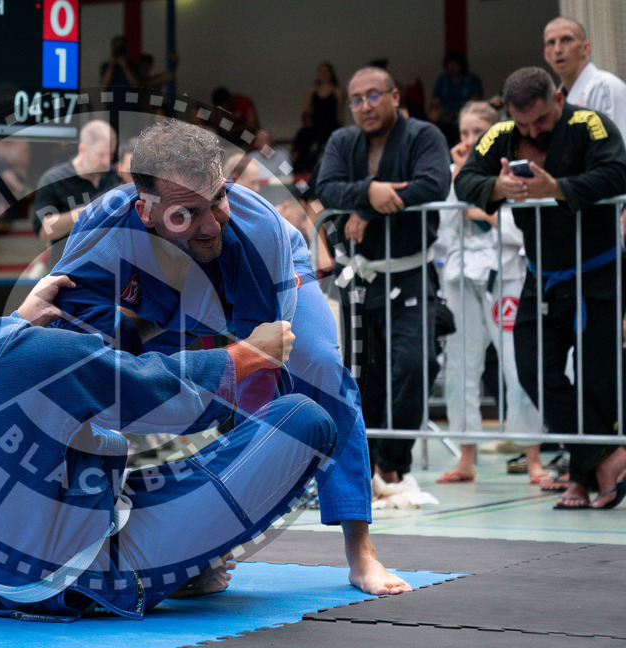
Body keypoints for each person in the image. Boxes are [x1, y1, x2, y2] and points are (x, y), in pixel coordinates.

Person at [0, 207, 337, 620]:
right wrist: (248, 354)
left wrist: (16, 322)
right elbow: (160, 395)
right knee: (304, 421)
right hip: (91, 577)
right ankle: (182, 566)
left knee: (117, 474)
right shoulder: (32, 355)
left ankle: (191, 560)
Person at [51, 119, 411, 596]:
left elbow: (263, 363)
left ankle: (360, 551)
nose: (209, 222)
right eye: (187, 212)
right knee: (92, 383)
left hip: (267, 287)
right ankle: (144, 545)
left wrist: (239, 502)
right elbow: (74, 358)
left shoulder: (258, 233)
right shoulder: (103, 235)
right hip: (166, 314)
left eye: (217, 199)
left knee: (319, 369)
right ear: (147, 211)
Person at [455, 66, 626, 509]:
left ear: (558, 98)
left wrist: (559, 188)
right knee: (532, 369)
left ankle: (582, 478)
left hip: (598, 272)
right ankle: (608, 459)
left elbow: (617, 173)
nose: (532, 131)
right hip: (541, 276)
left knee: (598, 379)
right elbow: (464, 180)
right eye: (524, 123)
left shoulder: (590, 124)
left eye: (541, 121)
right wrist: (497, 185)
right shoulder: (503, 134)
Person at [317, 66, 451, 486]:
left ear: (395, 96)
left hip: (411, 273)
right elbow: (327, 187)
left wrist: (366, 205)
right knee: (364, 378)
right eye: (356, 99)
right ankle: (369, 467)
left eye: (374, 95)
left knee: (415, 363)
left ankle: (395, 461)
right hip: (360, 279)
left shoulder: (423, 136)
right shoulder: (342, 141)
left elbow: (432, 184)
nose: (365, 106)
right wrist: (370, 191)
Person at [435, 102, 543, 485]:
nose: (468, 141)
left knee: (518, 364)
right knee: (461, 368)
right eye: (463, 133)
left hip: (506, 275)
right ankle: (467, 458)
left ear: (493, 134)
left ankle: (534, 458)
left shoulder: (513, 172)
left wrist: (487, 213)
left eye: (477, 132)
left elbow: (519, 230)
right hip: (461, 277)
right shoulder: (451, 175)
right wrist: (459, 179)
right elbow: (443, 231)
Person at [32, 120, 121, 266]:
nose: (106, 161)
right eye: (101, 155)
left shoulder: (113, 176)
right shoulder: (54, 179)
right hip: (67, 268)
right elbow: (43, 230)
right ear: (82, 149)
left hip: (107, 266)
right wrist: (84, 214)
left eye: (110, 155)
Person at [543, 16, 626, 136]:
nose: (557, 49)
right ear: (546, 56)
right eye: (551, 43)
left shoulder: (606, 87)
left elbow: (621, 147)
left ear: (585, 49)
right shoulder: (556, 100)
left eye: (566, 40)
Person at [429, 51, 483, 144]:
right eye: (449, 64)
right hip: (444, 119)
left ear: (462, 65)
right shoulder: (442, 80)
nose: (452, 67)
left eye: (455, 64)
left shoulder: (472, 79)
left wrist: (452, 115)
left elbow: (474, 103)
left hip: (466, 115)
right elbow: (435, 101)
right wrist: (434, 112)